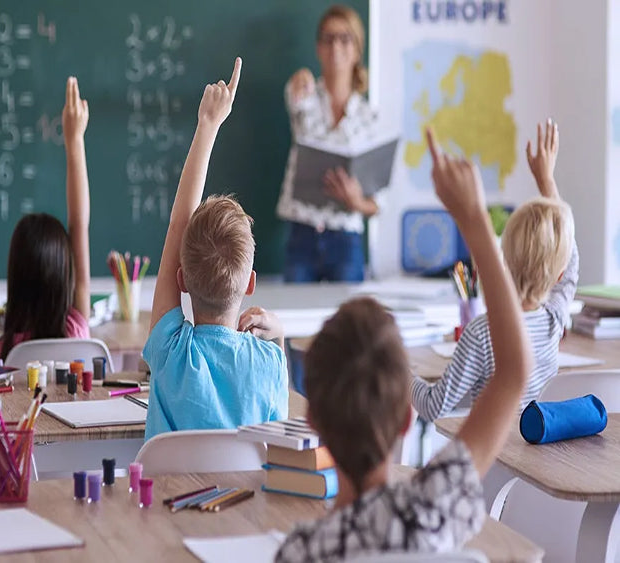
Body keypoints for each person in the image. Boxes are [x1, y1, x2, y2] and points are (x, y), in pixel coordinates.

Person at [275, 128, 533, 560]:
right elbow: (513, 372)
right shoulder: (433, 510)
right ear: (405, 420)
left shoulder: (303, 552)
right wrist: (474, 220)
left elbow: (511, 373)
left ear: (313, 420)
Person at [143, 58, 288, 441]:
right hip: (247, 502)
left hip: (164, 502)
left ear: (182, 280)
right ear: (250, 283)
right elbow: (277, 444)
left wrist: (206, 126)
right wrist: (280, 338)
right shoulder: (269, 363)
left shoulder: (172, 354)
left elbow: (179, 224)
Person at [412, 119, 577, 422]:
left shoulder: (482, 333)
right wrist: (546, 180)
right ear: (559, 276)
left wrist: (402, 373)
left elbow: (433, 406)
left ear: (504, 260)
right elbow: (570, 260)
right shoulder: (555, 320)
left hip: (493, 462)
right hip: (534, 462)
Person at [0, 77, 91, 361]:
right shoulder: (76, 331)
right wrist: (74, 140)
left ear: (15, 276)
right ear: (67, 275)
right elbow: (79, 224)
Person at [277, 4, 380, 282]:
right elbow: (294, 98)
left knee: (349, 321)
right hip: (302, 233)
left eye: (344, 38)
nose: (335, 46)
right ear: (318, 47)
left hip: (346, 240)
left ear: (357, 49)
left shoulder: (369, 118)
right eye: (328, 38)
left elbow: (376, 204)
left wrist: (356, 201)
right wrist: (299, 82)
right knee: (296, 319)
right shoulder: (304, 94)